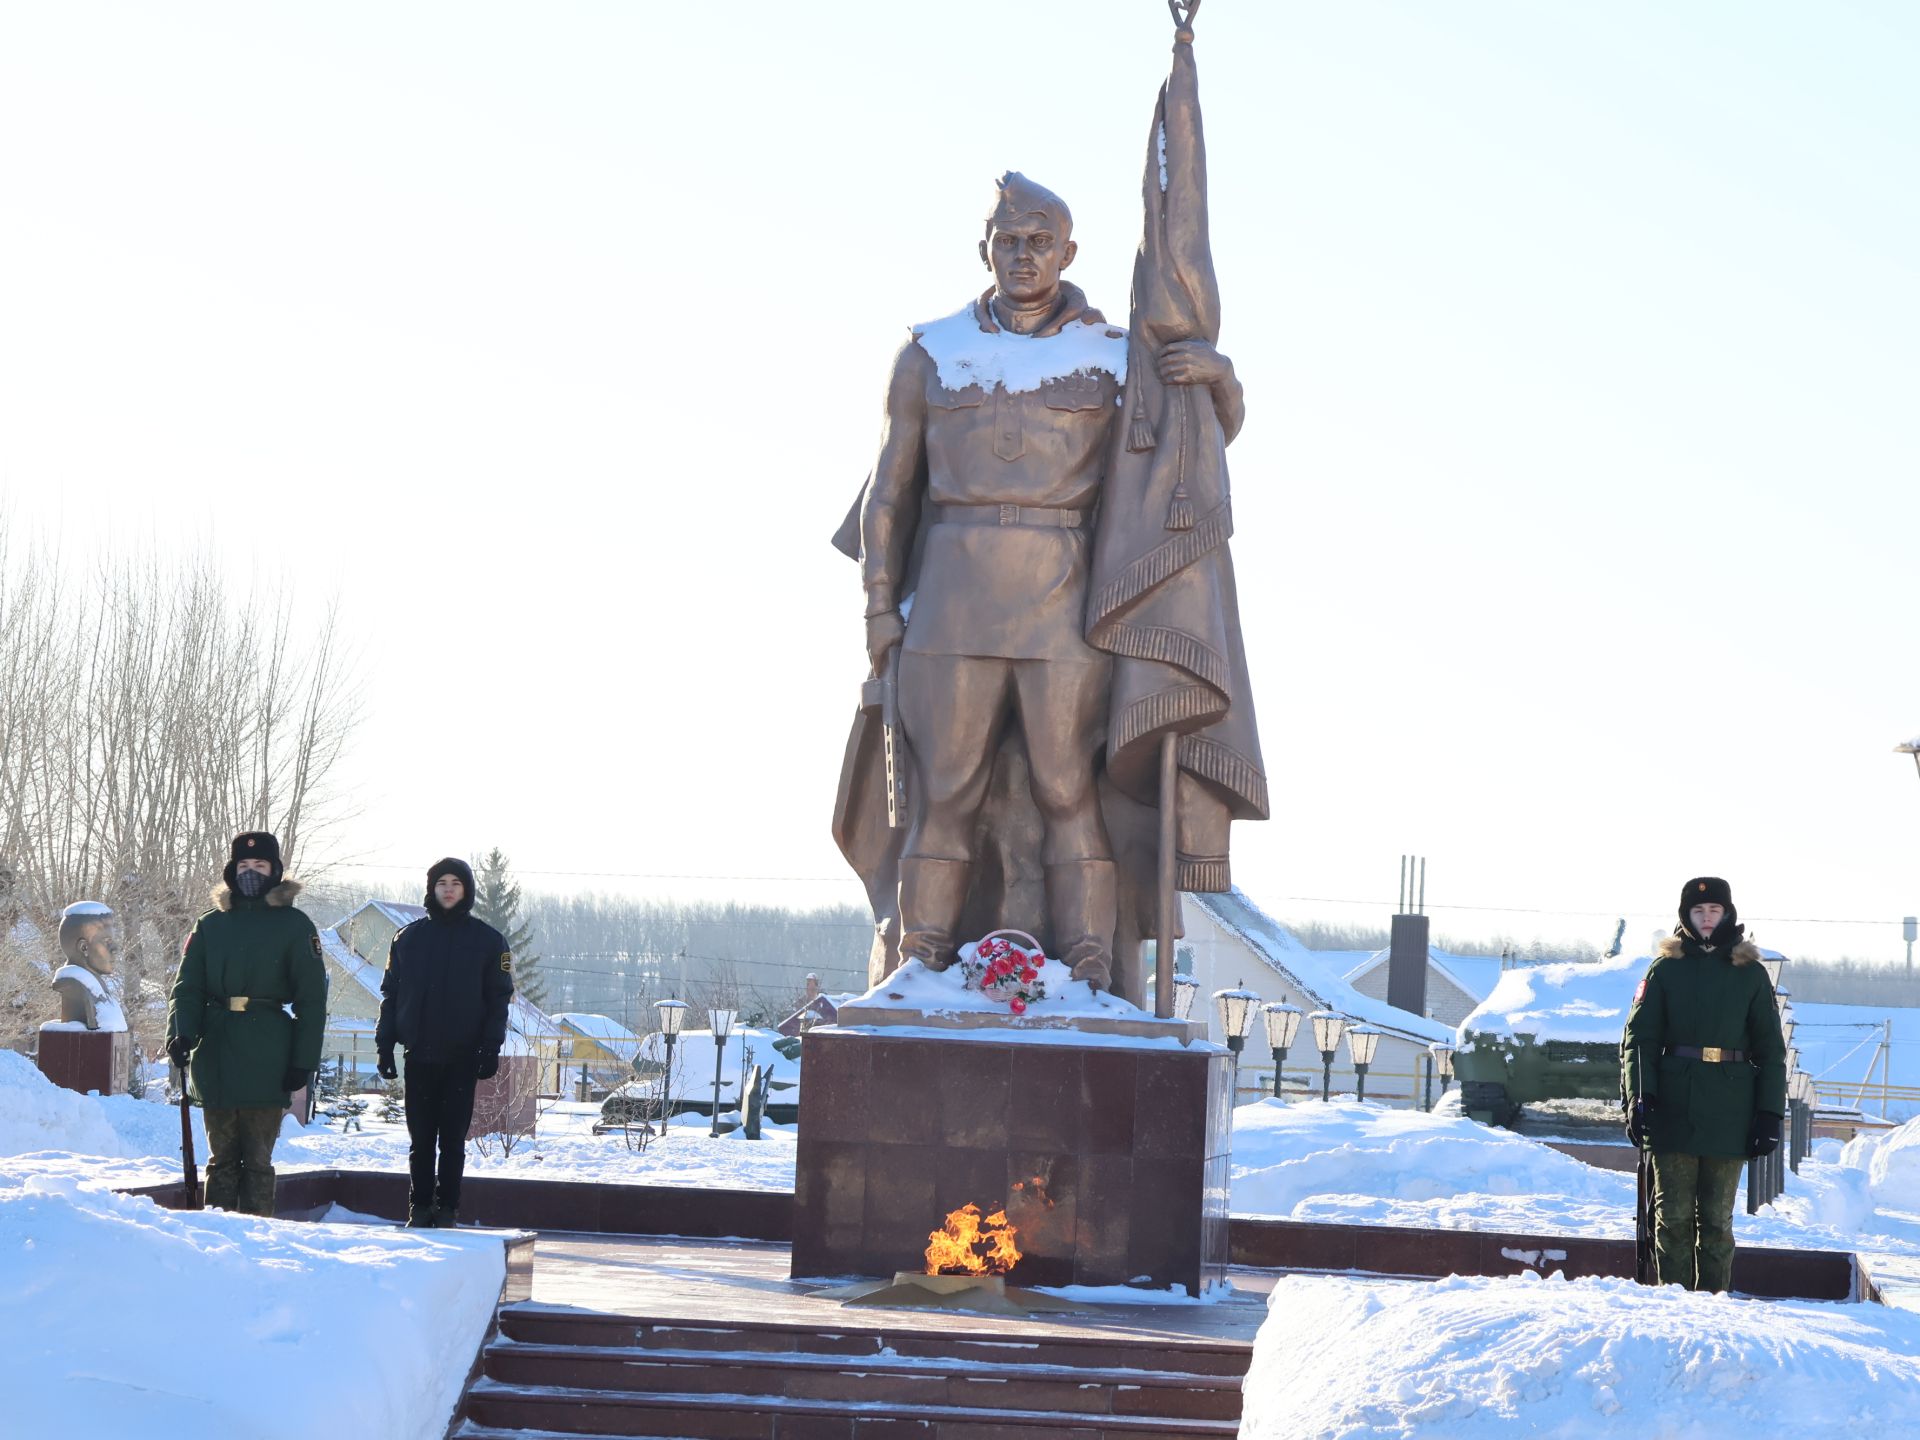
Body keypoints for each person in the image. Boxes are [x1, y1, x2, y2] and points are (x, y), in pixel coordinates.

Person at [855, 171, 1244, 990]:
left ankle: (1089, 960)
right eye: (1008, 240)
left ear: (1069, 251)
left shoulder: (1110, 357)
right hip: (950, 604)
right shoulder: (928, 352)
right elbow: (887, 494)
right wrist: (879, 611)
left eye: (1040, 241)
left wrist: (1217, 379)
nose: (1023, 255)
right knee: (946, 793)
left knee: (1070, 789)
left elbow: (1191, 449)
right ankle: (920, 961)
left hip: (1065, 608)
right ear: (984, 249)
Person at [1620, 876, 1787, 1291]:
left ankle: (1713, 1308)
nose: (1707, 918)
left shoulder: (1750, 974)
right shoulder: (1665, 969)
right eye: (1699, 911)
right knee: (1672, 1217)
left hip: (1730, 1110)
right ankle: (1672, 1308)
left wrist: (1769, 1113)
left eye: (1714, 910)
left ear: (1728, 914)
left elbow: (1770, 1050)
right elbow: (1640, 1040)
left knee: (1715, 1220)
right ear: (1686, 916)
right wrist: (1639, 1098)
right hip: (1672, 1109)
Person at [165, 831, 326, 1216]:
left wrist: (303, 1061)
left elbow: (312, 1000)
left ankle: (257, 1243)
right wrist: (181, 1033)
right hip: (216, 1051)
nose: (251, 872)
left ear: (275, 871)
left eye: (260, 866)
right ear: (231, 871)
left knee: (257, 1162)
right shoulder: (211, 924)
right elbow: (187, 988)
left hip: (268, 1053)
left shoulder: (295, 925)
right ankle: (216, 1244)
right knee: (220, 1162)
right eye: (243, 866)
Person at [376, 858, 514, 1228]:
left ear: (466, 890)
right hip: (419, 1056)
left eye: (456, 882)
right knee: (420, 1141)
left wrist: (490, 1047)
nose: (449, 889)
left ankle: (448, 1208)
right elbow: (391, 995)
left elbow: (498, 1000)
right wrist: (385, 1045)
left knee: (451, 1141)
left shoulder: (488, 941)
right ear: (431, 889)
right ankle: (419, 1208)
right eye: (442, 883)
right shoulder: (409, 938)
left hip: (462, 1058)